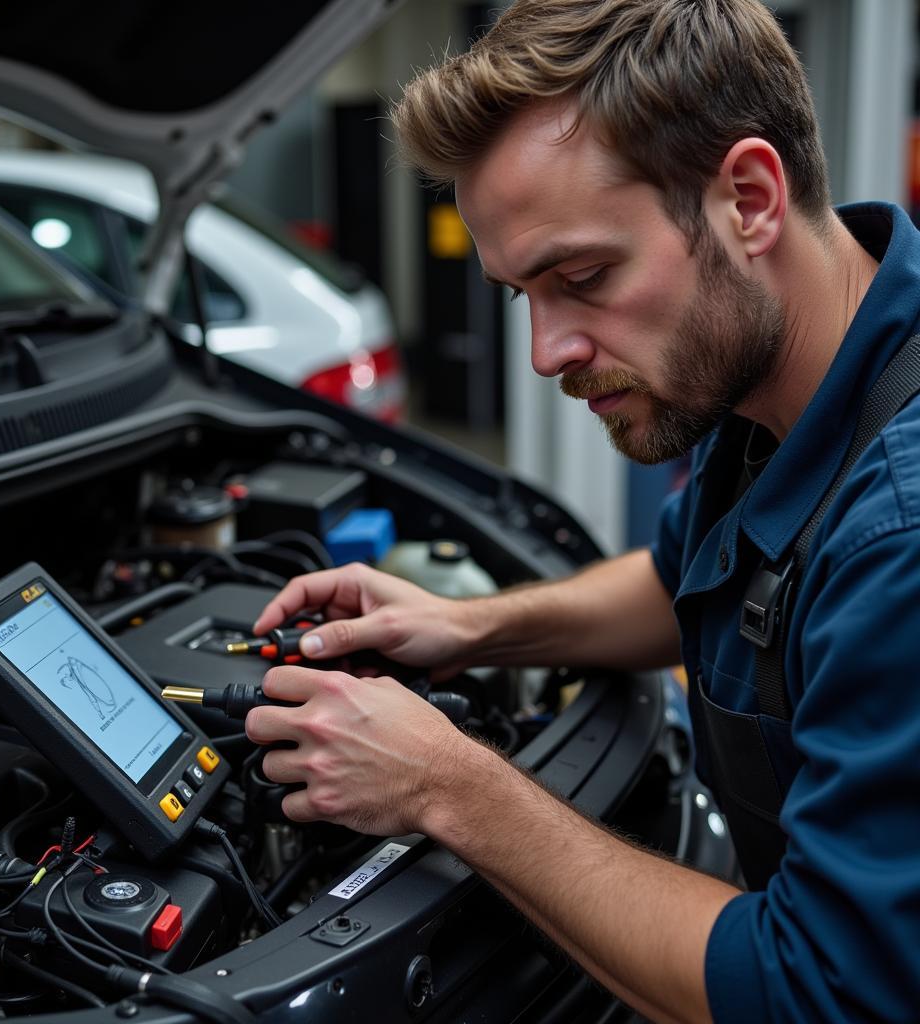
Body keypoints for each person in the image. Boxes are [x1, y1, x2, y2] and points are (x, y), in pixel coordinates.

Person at [243, 1, 920, 1020]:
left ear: (748, 199)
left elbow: (818, 990)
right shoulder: (781, 372)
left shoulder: (900, 530)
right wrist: (471, 627)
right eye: (524, 294)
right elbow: (685, 576)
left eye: (584, 276)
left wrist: (447, 784)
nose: (547, 352)